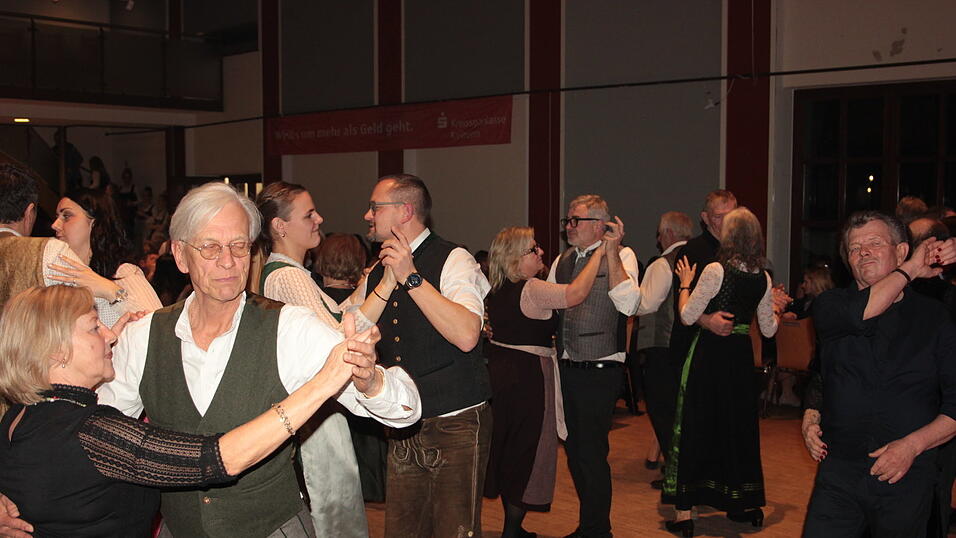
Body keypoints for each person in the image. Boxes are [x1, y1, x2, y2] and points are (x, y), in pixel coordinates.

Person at [0, 181, 423, 537]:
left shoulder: (289, 328)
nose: (228, 261)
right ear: (180, 255)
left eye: (239, 246)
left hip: (271, 528)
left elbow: (405, 410)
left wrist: (370, 382)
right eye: (210, 247)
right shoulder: (144, 336)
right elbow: (86, 433)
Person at [0, 284, 378, 537]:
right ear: (55, 350)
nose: (111, 334)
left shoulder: (18, 416)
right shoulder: (93, 432)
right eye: (93, 327)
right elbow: (220, 459)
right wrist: (325, 382)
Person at [256, 181, 401, 537]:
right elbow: (337, 339)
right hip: (313, 413)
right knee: (332, 510)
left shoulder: (293, 274)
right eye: (309, 214)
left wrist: (383, 282)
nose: (319, 219)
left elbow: (344, 316)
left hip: (315, 408)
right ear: (280, 226)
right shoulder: (287, 277)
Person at [802, 211, 956, 537]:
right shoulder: (831, 306)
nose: (863, 252)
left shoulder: (936, 317)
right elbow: (824, 368)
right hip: (840, 472)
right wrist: (812, 411)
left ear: (900, 250)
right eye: (855, 248)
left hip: (907, 474)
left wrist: (912, 446)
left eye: (874, 243)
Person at [359, 174, 491, 538]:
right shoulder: (378, 270)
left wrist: (411, 277)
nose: (367, 215)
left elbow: (467, 335)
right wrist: (387, 281)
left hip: (456, 422)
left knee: (455, 531)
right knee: (403, 531)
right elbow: (348, 329)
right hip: (402, 423)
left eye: (375, 207)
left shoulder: (455, 258)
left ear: (405, 211)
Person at [483, 226, 609, 538]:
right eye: (533, 249)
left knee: (509, 446)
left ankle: (514, 528)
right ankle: (511, 531)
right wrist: (600, 254)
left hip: (501, 374)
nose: (540, 252)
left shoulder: (494, 289)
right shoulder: (532, 288)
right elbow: (575, 294)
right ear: (514, 259)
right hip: (529, 377)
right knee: (528, 450)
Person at [664, 207, 782, 537]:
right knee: (736, 427)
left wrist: (685, 285)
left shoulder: (717, 270)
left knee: (699, 424)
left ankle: (685, 512)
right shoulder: (763, 276)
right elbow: (770, 331)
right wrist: (774, 306)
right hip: (741, 359)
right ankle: (741, 502)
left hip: (710, 357)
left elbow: (688, 317)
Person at [547, 194, 640, 538]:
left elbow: (630, 305)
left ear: (600, 225)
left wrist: (612, 253)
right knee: (574, 449)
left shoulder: (624, 255)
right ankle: (592, 525)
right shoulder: (563, 259)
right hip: (568, 365)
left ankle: (598, 530)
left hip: (601, 367)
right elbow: (554, 309)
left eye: (576, 221)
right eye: (568, 220)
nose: (569, 227)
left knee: (592, 451)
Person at [48, 188, 162, 327]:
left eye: (67, 216)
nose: (55, 225)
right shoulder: (58, 274)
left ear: (94, 224)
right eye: (56, 217)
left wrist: (110, 290)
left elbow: (157, 327)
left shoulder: (123, 273)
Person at [633, 211, 693, 475]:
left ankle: (674, 470)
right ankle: (679, 467)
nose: (658, 239)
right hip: (690, 345)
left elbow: (645, 304)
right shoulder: (700, 258)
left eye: (659, 233)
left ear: (669, 233)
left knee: (662, 409)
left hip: (663, 346)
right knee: (682, 411)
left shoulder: (662, 264)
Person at [0, 163, 96, 311]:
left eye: (67, 216)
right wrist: (115, 292)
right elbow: (101, 312)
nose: (55, 225)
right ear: (29, 212)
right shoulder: (47, 251)